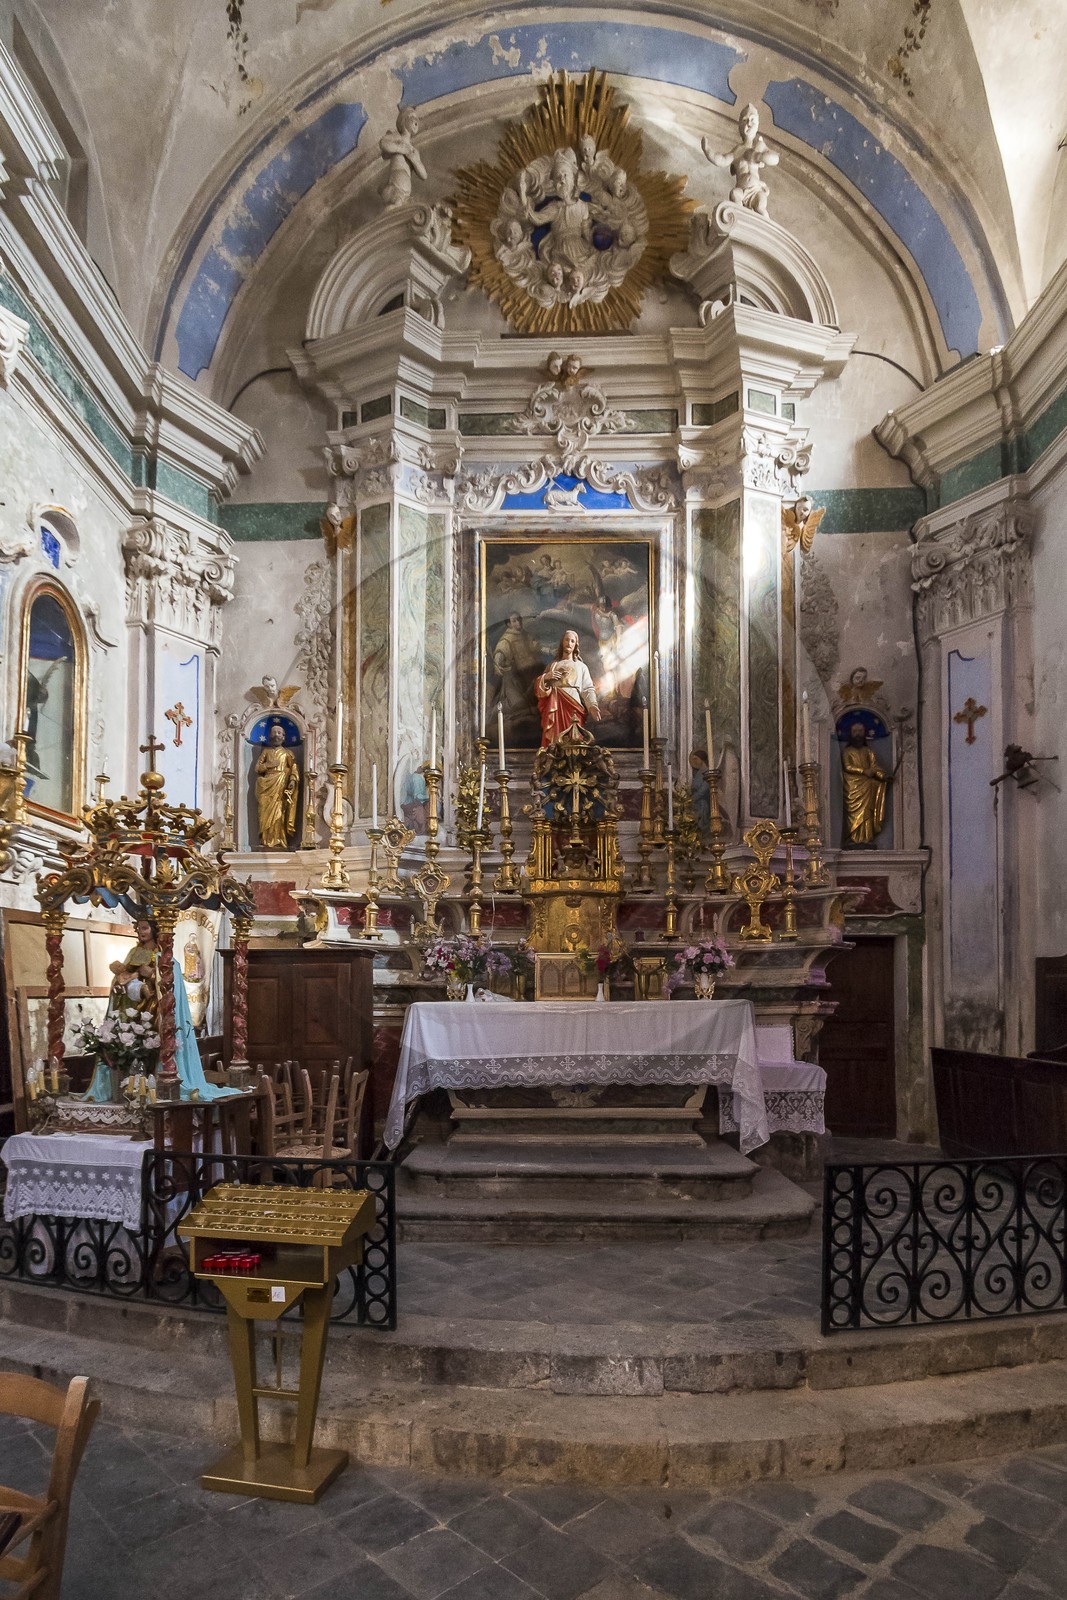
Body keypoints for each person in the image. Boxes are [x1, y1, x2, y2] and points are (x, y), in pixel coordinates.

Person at [86, 917, 234, 1102]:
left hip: (155, 1008)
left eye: (145, 928)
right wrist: (124, 978)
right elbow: (122, 977)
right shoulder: (133, 952)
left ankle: (158, 1083)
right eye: (138, 928)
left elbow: (170, 978)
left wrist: (152, 974)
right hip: (134, 1009)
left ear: (154, 930)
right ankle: (132, 1086)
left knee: (157, 1038)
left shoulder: (162, 955)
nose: (141, 931)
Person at [536, 629, 601, 746]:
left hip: (574, 706)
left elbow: (588, 689)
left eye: (572, 641)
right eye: (567, 640)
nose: (569, 643)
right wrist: (546, 677)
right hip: (555, 704)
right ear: (562, 642)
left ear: (576, 645)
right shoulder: (553, 665)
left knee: (574, 738)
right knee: (555, 738)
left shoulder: (581, 667)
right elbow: (539, 690)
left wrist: (592, 705)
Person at [841, 722, 889, 846]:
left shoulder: (868, 751)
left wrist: (883, 776)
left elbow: (874, 767)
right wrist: (863, 771)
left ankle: (866, 838)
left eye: (860, 731)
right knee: (853, 814)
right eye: (855, 731)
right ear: (851, 734)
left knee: (867, 812)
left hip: (867, 786)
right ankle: (853, 838)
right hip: (853, 786)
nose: (858, 734)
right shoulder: (847, 751)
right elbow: (847, 766)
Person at [255, 723, 300, 849]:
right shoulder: (266, 751)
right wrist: (268, 765)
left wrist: (292, 780)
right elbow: (257, 768)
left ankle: (279, 839)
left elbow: (294, 768)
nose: (276, 735)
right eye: (273, 733)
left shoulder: (288, 753)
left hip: (281, 783)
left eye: (279, 733)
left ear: (284, 737)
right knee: (264, 811)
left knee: (279, 811)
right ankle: (266, 839)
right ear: (269, 736)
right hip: (267, 784)